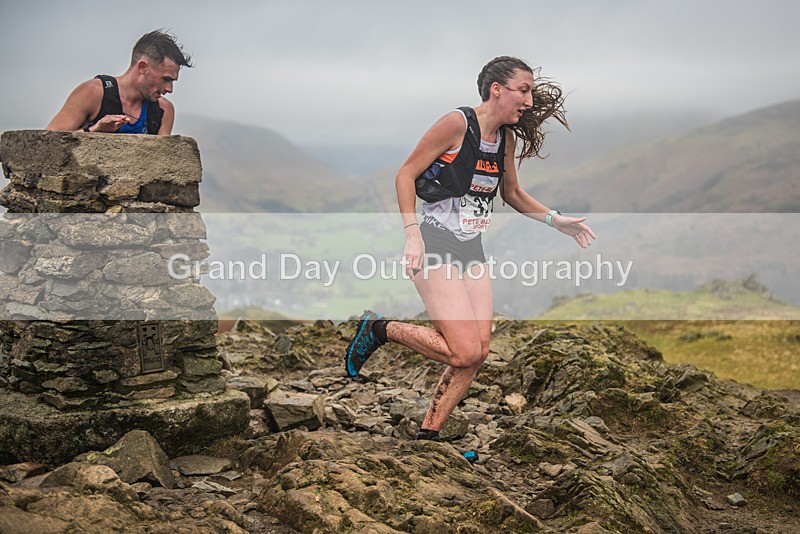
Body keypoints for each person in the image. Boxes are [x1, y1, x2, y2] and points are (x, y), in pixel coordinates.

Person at [345, 56, 596, 443]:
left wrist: (555, 220)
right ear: (497, 89)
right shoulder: (457, 124)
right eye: (523, 90)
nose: (529, 101)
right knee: (462, 351)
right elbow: (405, 174)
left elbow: (511, 193)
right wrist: (412, 233)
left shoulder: (506, 139)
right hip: (433, 242)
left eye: (531, 92)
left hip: (471, 248)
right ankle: (379, 329)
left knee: (477, 352)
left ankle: (429, 434)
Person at [46, 30, 192, 135]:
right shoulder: (93, 92)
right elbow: (48, 143)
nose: (170, 89)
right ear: (143, 67)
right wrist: (93, 131)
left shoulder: (164, 110)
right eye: (166, 79)